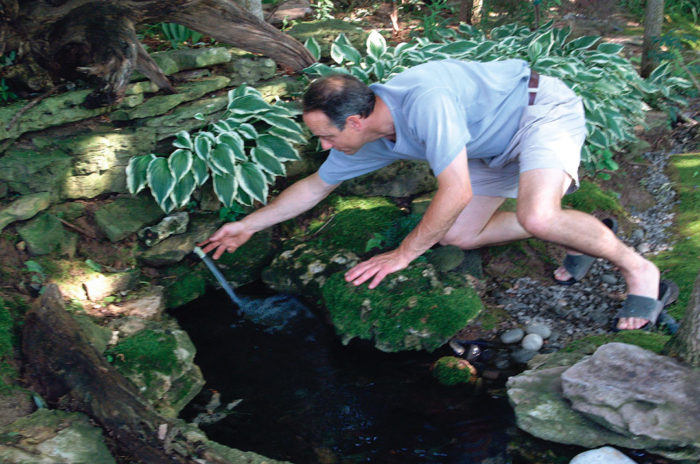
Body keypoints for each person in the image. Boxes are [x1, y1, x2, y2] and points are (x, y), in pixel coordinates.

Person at [199, 58, 664, 331]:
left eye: (326, 137)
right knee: (459, 236)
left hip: (538, 114)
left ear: (355, 122)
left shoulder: (426, 101)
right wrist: (247, 224)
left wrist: (402, 255)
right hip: (485, 145)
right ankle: (583, 235)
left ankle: (640, 270)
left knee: (539, 216)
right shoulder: (368, 135)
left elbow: (455, 190)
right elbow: (315, 186)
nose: (323, 147)